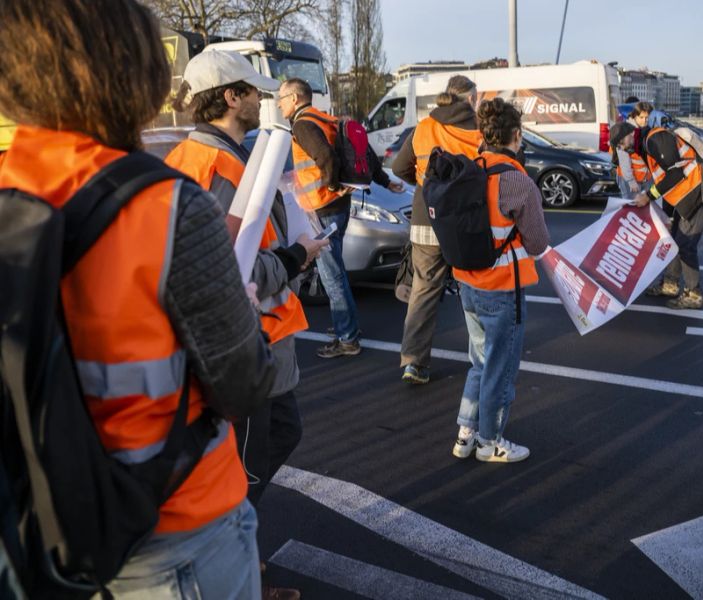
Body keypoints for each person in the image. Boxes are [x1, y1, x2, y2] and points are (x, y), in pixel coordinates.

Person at [0, 1, 276, 597]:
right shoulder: (166, 208)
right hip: (174, 536)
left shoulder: (9, 187)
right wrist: (245, 310)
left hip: (41, 525)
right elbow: (246, 384)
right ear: (135, 69)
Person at [165, 51, 327, 600]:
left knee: (274, 439)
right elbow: (225, 271)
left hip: (260, 334)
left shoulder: (226, 156)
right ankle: (234, 570)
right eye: (253, 90)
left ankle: (240, 562)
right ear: (230, 97)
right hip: (247, 338)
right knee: (245, 464)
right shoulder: (215, 167)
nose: (262, 99)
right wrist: (298, 256)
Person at [450, 98, 550, 463]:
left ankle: (466, 433)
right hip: (502, 288)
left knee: (479, 361)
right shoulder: (517, 182)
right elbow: (538, 242)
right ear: (517, 136)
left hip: (467, 284)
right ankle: (490, 442)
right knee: (500, 368)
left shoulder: (469, 169)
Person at [278, 78, 404, 358]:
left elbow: (326, 158)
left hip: (322, 208)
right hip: (340, 206)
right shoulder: (327, 119)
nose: (279, 104)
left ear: (296, 98)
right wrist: (384, 181)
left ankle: (347, 338)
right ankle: (345, 325)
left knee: (331, 274)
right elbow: (365, 153)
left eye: (282, 99)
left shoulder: (302, 124)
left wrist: (331, 184)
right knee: (336, 271)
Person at [393, 75, 483, 384]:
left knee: (424, 291)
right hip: (465, 221)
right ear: (471, 98)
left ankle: (413, 363)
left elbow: (398, 167)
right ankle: (483, 360)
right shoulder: (477, 129)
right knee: (474, 287)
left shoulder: (424, 127)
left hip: (426, 218)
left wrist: (424, 184)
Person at [621, 121, 703, 310]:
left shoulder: (655, 138)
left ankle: (694, 294)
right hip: (689, 193)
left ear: (630, 135)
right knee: (673, 239)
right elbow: (665, 180)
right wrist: (667, 217)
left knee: (685, 244)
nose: (622, 148)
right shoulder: (646, 146)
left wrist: (648, 196)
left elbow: (675, 175)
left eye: (620, 143)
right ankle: (670, 284)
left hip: (701, 190)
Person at [614, 101, 653, 199]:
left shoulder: (647, 129)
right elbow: (624, 161)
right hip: (629, 179)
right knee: (630, 207)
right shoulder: (624, 132)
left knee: (644, 209)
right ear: (635, 116)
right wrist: (631, 181)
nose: (645, 120)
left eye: (647, 117)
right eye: (641, 117)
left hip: (646, 178)